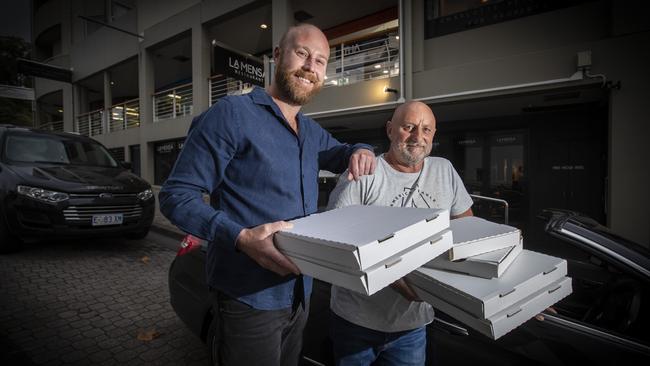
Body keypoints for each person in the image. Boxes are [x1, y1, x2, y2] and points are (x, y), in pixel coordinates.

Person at [159, 24, 376, 366]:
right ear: (277, 55)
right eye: (302, 53)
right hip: (247, 298)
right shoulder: (231, 115)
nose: (310, 67)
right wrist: (241, 237)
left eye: (320, 61)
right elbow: (175, 196)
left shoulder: (312, 132)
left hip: (298, 296)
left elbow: (345, 151)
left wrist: (361, 149)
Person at [327, 101, 473, 366]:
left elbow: (470, 231)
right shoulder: (364, 172)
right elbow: (335, 239)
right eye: (409, 127)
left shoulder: (444, 170)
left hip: (413, 325)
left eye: (426, 130)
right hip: (356, 320)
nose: (418, 137)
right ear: (390, 130)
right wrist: (394, 274)